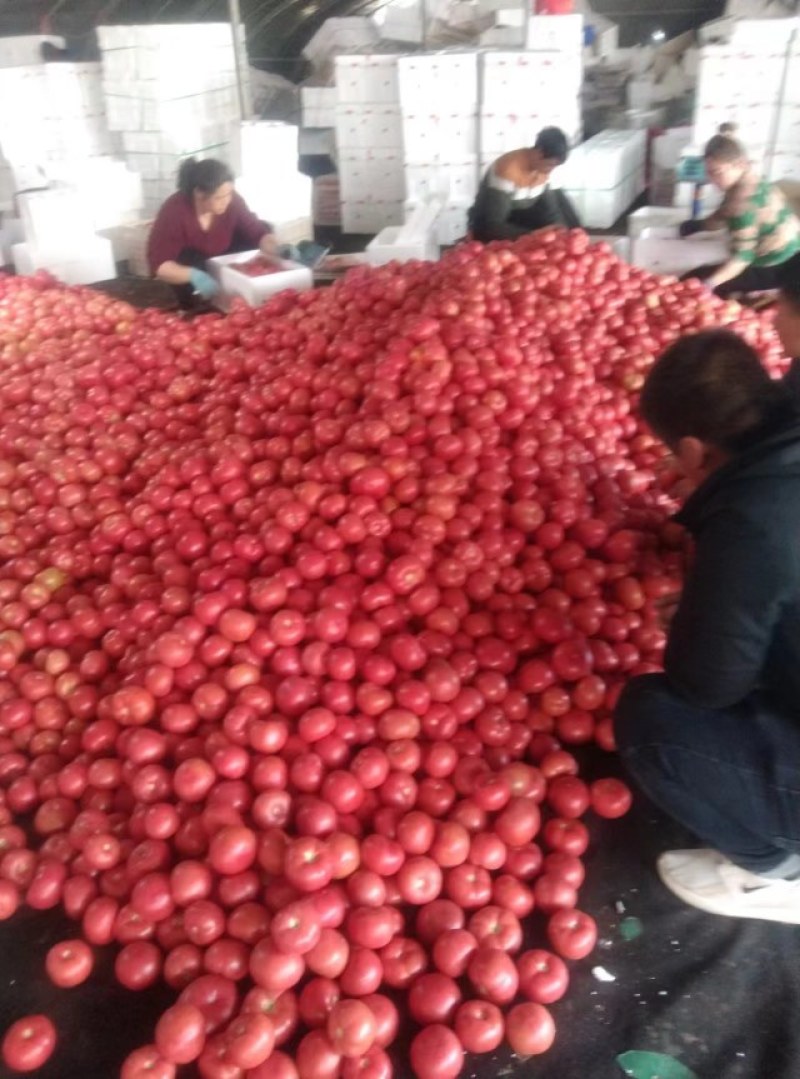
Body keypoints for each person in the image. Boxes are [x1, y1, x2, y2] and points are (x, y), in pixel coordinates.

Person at [614, 319, 800, 925]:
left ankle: (778, 872)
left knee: (652, 720)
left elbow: (706, 685)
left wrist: (704, 614)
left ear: (693, 451)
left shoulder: (752, 518)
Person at [679, 125, 800, 297]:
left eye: (717, 173)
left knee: (696, 279)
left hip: (776, 265)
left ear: (739, 164)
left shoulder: (742, 206)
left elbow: (742, 258)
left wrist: (709, 284)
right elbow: (723, 215)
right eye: (709, 173)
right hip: (793, 249)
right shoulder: (749, 178)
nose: (713, 180)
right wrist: (699, 225)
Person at [147, 157, 279, 307]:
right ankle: (193, 301)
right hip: (190, 268)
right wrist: (194, 276)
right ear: (199, 194)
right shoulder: (175, 210)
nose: (226, 201)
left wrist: (277, 248)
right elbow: (160, 265)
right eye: (219, 197)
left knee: (264, 228)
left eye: (229, 194)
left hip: (223, 260)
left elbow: (257, 232)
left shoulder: (232, 202)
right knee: (195, 292)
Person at [467, 127, 580, 243]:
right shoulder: (507, 169)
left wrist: (560, 232)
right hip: (491, 228)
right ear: (539, 153)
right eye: (550, 165)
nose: (550, 171)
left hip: (521, 225)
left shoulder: (541, 170)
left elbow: (552, 212)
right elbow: (493, 224)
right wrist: (533, 235)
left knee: (566, 213)